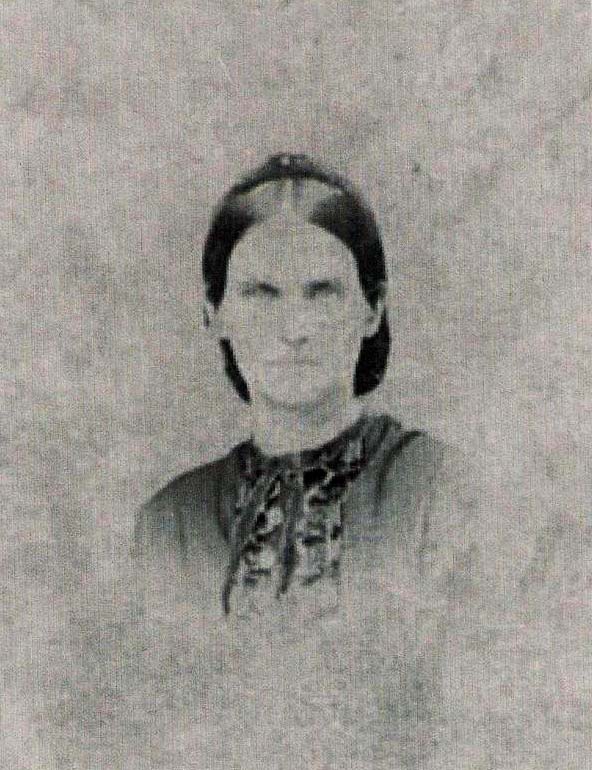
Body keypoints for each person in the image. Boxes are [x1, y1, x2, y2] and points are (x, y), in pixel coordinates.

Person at [132, 153, 514, 767]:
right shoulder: (169, 524)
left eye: (322, 292)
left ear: (372, 309)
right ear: (214, 313)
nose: (294, 328)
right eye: (261, 293)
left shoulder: (441, 490)